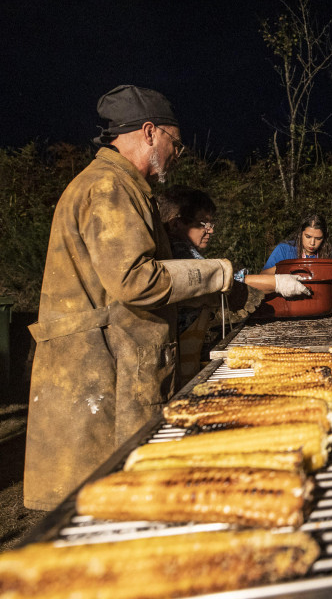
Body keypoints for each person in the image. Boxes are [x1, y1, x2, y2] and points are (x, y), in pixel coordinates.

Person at [24, 85, 236, 510]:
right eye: (176, 143)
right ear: (150, 132)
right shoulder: (109, 187)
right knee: (105, 507)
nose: (178, 154)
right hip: (98, 373)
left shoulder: (122, 186)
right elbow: (135, 281)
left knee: (114, 503)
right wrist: (220, 272)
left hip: (111, 365)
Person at [157, 186, 312, 382]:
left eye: (212, 224)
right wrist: (277, 283)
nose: (211, 230)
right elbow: (219, 280)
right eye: (204, 223)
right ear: (176, 224)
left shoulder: (180, 250)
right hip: (175, 364)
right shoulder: (178, 252)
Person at [261, 214, 332, 273]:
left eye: (318, 238)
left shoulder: (330, 251)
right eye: (308, 237)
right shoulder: (284, 249)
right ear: (300, 233)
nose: (312, 243)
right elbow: (263, 275)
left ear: (324, 238)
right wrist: (287, 268)